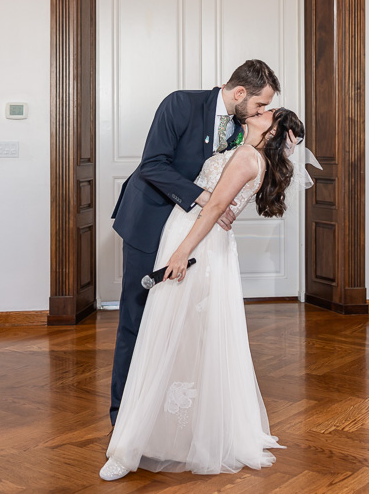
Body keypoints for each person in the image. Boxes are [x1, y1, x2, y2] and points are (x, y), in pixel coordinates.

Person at [101, 107, 306, 480]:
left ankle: (138, 442)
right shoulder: (241, 150)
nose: (261, 110)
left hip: (196, 244)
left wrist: (181, 254)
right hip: (196, 240)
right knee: (180, 337)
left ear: (272, 131)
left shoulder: (247, 157)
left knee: (166, 334)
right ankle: (170, 431)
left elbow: (212, 209)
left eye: (268, 112)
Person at [108, 60, 282, 429]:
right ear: (239, 93)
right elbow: (152, 165)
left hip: (192, 234)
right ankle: (122, 418)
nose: (262, 112)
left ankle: (168, 414)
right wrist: (206, 199)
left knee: (180, 321)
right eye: (259, 105)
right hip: (148, 221)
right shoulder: (180, 104)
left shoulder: (243, 128)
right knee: (137, 318)